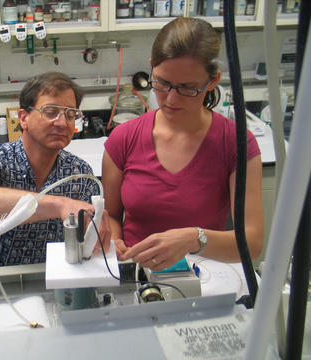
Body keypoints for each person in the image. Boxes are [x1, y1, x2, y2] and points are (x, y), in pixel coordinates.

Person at [102, 17, 263, 271]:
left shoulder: (235, 143)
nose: (171, 99)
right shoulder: (124, 138)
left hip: (205, 279)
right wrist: (115, 239)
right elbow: (111, 214)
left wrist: (193, 239)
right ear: (151, 68)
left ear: (211, 81)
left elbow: (252, 243)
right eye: (163, 83)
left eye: (187, 88)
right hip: (137, 277)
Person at [0, 72, 110, 268]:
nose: (62, 122)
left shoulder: (79, 173)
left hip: (55, 283)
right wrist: (60, 205)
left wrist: (100, 236)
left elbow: (90, 237)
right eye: (50, 111)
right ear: (23, 118)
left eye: (70, 114)